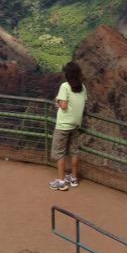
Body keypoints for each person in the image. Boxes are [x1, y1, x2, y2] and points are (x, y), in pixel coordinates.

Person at [49, 61, 88, 191]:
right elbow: (81, 103)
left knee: (59, 153)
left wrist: (57, 101)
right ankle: (73, 178)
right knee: (74, 151)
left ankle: (61, 181)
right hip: (76, 124)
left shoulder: (65, 86)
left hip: (63, 125)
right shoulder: (82, 87)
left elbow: (64, 105)